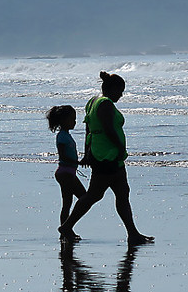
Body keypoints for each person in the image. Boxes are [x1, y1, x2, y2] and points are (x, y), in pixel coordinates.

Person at [63, 72, 153, 245]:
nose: (121, 94)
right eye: (120, 90)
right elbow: (109, 130)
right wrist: (120, 148)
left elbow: (89, 130)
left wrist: (87, 152)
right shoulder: (105, 104)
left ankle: (133, 233)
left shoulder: (93, 102)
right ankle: (67, 226)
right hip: (108, 156)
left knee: (118, 193)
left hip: (101, 155)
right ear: (112, 89)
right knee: (97, 195)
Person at [48, 104, 88, 239]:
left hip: (68, 172)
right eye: (72, 119)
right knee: (84, 198)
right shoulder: (62, 136)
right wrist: (78, 162)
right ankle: (66, 228)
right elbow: (63, 156)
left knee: (67, 203)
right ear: (64, 120)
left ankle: (66, 231)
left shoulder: (66, 135)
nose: (75, 122)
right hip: (65, 173)